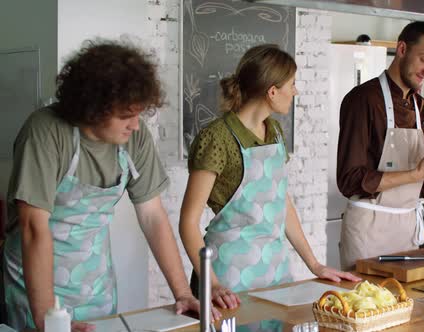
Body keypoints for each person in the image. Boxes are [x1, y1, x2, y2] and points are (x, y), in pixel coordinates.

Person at [0, 40, 217, 331]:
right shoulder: (46, 132)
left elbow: (153, 216)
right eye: (126, 116)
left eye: (138, 114)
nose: (136, 125)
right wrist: (47, 321)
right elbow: (32, 228)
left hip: (95, 287)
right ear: (92, 108)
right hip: (36, 293)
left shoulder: (134, 139)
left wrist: (183, 293)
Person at [179, 44, 360, 309]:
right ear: (272, 92)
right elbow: (188, 221)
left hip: (274, 271)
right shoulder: (216, 139)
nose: (295, 91)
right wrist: (213, 283)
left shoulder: (274, 131)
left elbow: (280, 202)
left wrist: (315, 264)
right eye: (292, 84)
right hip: (227, 278)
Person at [337, 21, 424, 271]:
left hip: (406, 231)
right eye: (423, 59)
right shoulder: (362, 100)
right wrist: (416, 174)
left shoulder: (423, 108)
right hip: (368, 233)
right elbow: (349, 180)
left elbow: (421, 188)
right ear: (401, 49)